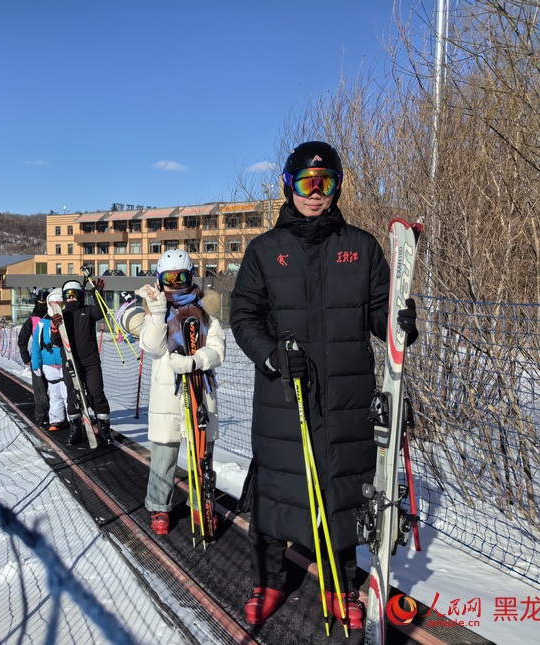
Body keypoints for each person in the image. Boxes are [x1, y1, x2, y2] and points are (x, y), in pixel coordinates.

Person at [229, 141, 418, 628]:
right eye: (307, 184)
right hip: (284, 397)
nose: (316, 195)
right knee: (277, 493)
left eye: (326, 184)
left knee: (341, 493)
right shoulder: (264, 251)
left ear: (337, 188)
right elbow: (244, 315)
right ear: (287, 187)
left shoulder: (361, 247)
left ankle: (339, 585)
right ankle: (268, 581)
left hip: (343, 398)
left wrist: (398, 320)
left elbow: (380, 313)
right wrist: (272, 354)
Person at [137, 250, 225, 536]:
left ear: (190, 276)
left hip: (200, 391)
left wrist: (195, 361)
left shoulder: (205, 312)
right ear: (160, 280)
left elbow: (217, 349)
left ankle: (201, 504)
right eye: (169, 278)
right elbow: (153, 347)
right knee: (163, 456)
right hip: (167, 396)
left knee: (201, 455)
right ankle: (159, 506)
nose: (175, 284)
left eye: (181, 277)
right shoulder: (155, 312)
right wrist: (158, 312)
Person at [52, 278, 113, 446]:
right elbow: (56, 341)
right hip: (71, 363)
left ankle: (104, 430)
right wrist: (55, 328)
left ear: (80, 296)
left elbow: (101, 312)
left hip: (90, 362)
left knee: (97, 393)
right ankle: (76, 429)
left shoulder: (88, 311)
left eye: (75, 294)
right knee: (72, 396)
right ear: (64, 297)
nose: (71, 298)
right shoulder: (62, 316)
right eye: (68, 295)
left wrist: (98, 295)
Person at [31, 289, 70, 432]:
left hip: (64, 362)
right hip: (49, 364)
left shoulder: (67, 321)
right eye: (53, 303)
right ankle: (57, 419)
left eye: (59, 303)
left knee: (68, 392)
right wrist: (36, 364)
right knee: (54, 393)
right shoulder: (42, 324)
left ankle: (74, 417)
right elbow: (35, 345)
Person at [18, 289, 51, 429]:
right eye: (40, 302)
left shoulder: (53, 317)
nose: (42, 305)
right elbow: (22, 339)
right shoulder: (32, 320)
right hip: (37, 359)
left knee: (57, 390)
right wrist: (25, 356)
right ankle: (41, 415)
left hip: (54, 359)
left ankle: (58, 415)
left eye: (45, 302)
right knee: (40, 390)